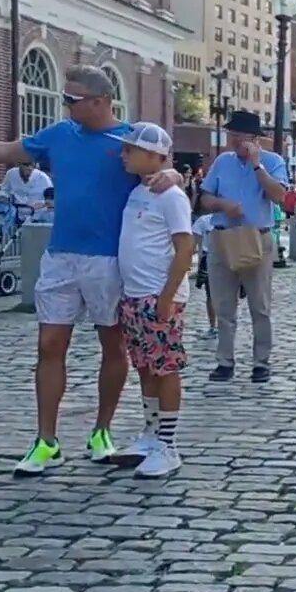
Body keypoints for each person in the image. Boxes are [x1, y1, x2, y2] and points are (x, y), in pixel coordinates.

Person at [0, 65, 178, 477]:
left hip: (109, 261)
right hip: (61, 256)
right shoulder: (58, 135)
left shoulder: (128, 139)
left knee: (113, 347)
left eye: (71, 99)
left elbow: (165, 168)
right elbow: (4, 151)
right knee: (49, 345)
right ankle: (46, 441)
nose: (65, 105)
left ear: (100, 102)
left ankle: (101, 431)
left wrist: (173, 173)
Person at [106, 123, 193, 478]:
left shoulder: (171, 196)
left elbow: (185, 248)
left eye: (130, 149)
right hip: (135, 294)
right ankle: (151, 432)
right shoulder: (137, 190)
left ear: (154, 156)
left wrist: (168, 296)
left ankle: (168, 445)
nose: (123, 155)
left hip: (159, 296)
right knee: (145, 365)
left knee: (165, 367)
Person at [198, 110, 289, 384]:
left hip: (255, 237)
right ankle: (224, 361)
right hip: (223, 236)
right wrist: (223, 205)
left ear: (254, 138)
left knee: (259, 305)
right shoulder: (222, 162)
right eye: (231, 135)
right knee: (223, 305)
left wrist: (257, 165)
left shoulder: (273, 161)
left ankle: (261, 362)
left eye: (238, 136)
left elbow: (279, 196)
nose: (233, 141)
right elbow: (204, 198)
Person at [192, 212, 219, 339]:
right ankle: (215, 326)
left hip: (225, 257)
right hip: (210, 258)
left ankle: (218, 326)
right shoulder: (203, 221)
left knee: (216, 295)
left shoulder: (203, 220)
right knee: (211, 294)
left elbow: (197, 244)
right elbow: (197, 244)